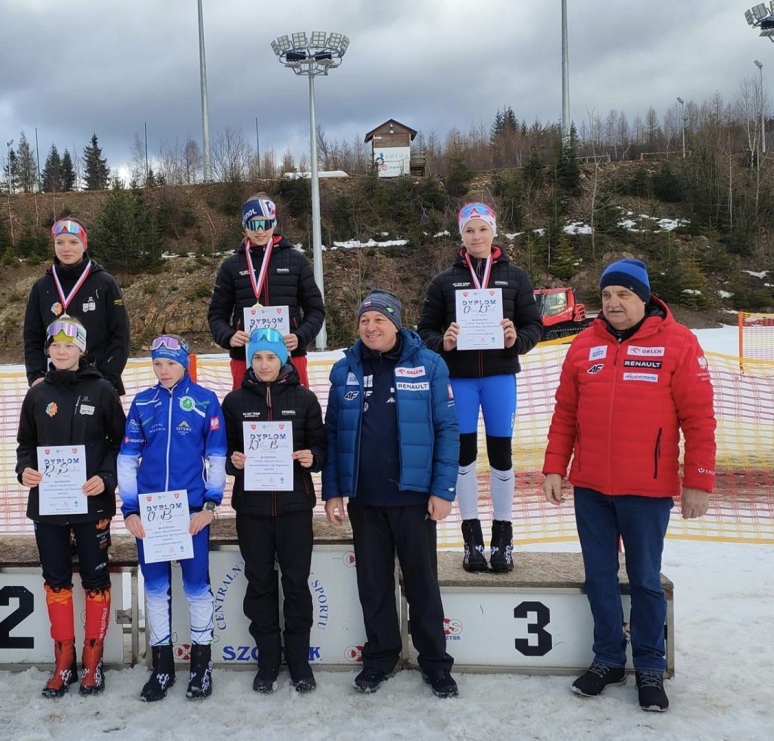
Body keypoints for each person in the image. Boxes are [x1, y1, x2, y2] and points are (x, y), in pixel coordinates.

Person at [542, 258, 715, 713]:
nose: (613, 303)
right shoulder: (583, 344)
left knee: (643, 581)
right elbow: (564, 414)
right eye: (606, 295)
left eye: (623, 295)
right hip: (593, 487)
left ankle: (650, 667)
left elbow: (699, 420)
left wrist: (697, 481)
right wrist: (554, 467)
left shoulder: (679, 343)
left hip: (648, 488)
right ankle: (607, 660)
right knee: (599, 579)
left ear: (643, 298)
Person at [322, 290, 460, 699]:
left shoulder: (429, 363)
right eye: (365, 320)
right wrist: (333, 491)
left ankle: (435, 663)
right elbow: (333, 435)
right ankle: (380, 657)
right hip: (365, 499)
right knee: (374, 585)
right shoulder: (344, 369)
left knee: (421, 584)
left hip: (414, 498)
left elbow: (448, 430)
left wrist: (443, 489)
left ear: (396, 322)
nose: (371, 327)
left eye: (380, 320)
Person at [416, 202, 542, 573]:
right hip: (460, 380)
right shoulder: (443, 281)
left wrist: (515, 339)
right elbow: (425, 330)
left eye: (482, 229)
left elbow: (535, 326)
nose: (476, 237)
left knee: (502, 456)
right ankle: (471, 539)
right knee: (464, 458)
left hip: (500, 377)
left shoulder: (515, 277)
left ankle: (503, 539)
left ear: (493, 232)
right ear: (461, 235)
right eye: (469, 231)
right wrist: (445, 343)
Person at [15, 317, 125, 698]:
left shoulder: (102, 390)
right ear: (47, 350)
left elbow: (119, 444)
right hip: (49, 506)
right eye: (55, 346)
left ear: (81, 349)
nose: (61, 352)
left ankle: (92, 663)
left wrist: (107, 478)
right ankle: (64, 662)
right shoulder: (37, 394)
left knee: (95, 580)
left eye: (69, 345)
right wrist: (24, 470)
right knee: (57, 580)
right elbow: (24, 445)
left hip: (92, 503)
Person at [118, 335, 228, 702]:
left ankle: (201, 666)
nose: (163, 371)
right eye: (157, 364)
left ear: (184, 364)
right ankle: (162, 668)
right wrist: (130, 509)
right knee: (155, 589)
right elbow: (126, 459)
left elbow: (216, 456)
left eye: (170, 363)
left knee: (197, 588)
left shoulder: (204, 400)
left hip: (190, 512)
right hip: (150, 514)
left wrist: (210, 506)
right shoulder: (142, 401)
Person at [221, 327, 327, 694]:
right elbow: (225, 454)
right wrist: (234, 462)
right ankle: (267, 660)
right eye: (257, 357)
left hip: (295, 507)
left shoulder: (305, 399)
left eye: (270, 356)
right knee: (260, 583)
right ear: (249, 361)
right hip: (252, 510)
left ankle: (299, 661)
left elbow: (321, 447)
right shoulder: (234, 402)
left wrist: (313, 457)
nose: (264, 364)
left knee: (296, 584)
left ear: (282, 358)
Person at [208, 194, 326, 390]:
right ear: (245, 226)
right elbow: (216, 314)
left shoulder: (296, 261)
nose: (260, 231)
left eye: (266, 223)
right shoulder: (231, 266)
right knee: (245, 415)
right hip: (245, 356)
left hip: (290, 354)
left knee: (295, 412)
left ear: (274, 222)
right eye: (253, 225)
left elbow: (316, 310)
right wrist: (229, 336)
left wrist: (300, 336)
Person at [24, 217, 130, 394]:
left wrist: (107, 379)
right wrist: (36, 376)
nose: (66, 248)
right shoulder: (42, 287)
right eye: (60, 242)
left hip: (99, 383)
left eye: (73, 242)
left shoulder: (105, 283)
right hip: (55, 385)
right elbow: (32, 336)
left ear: (84, 244)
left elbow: (120, 335)